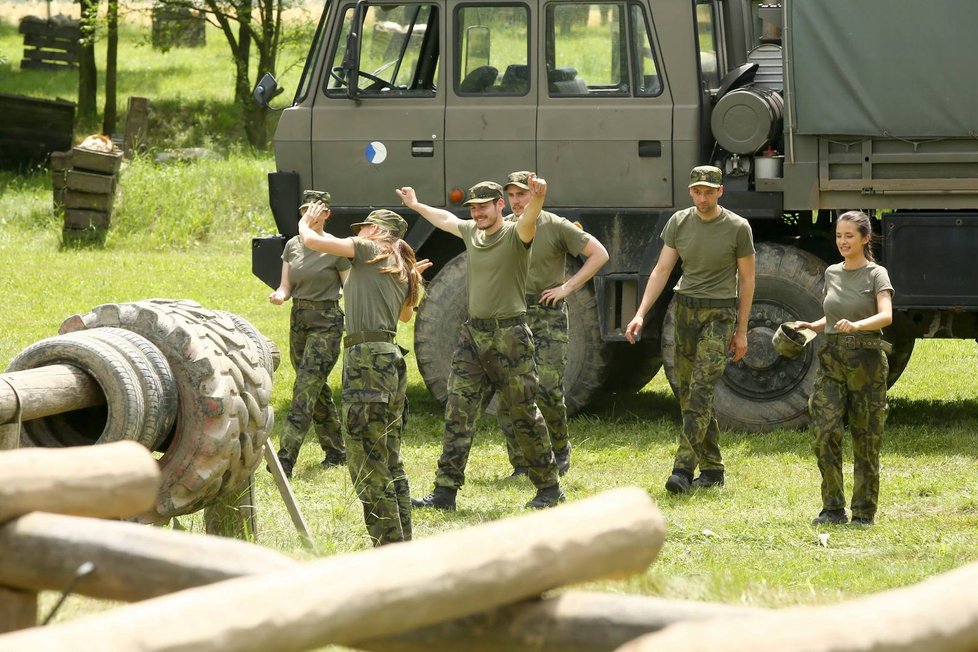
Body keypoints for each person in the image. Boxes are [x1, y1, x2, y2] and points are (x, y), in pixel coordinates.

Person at [396, 176, 565, 510]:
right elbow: (446, 220)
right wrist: (415, 205)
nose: (478, 214)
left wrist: (539, 198)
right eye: (473, 208)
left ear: (499, 205)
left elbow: (530, 219)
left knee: (523, 414)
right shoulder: (472, 232)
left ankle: (548, 487)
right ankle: (445, 492)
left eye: (484, 207)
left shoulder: (516, 234)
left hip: (511, 337)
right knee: (458, 412)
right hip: (473, 336)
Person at [298, 204, 424, 546]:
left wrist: (306, 222)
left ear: (377, 231)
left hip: (366, 361)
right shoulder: (400, 265)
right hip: (389, 359)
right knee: (389, 457)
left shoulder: (370, 250)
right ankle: (402, 543)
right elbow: (405, 318)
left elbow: (311, 241)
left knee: (366, 460)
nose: (360, 231)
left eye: (364, 227)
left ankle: (388, 547)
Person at [625, 165, 755, 494]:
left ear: (720, 192)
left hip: (720, 313)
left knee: (700, 390)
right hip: (685, 311)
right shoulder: (679, 222)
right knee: (689, 394)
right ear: (690, 191)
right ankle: (712, 469)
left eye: (709, 191)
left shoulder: (738, 228)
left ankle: (682, 468)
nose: (702, 197)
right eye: (697, 191)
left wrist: (741, 330)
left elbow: (748, 279)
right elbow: (662, 269)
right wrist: (640, 313)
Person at [496, 170, 609, 479]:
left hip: (548, 314)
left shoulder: (556, 225)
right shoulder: (503, 229)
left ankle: (559, 449)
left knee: (547, 387)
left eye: (523, 194)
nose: (517, 201)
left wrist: (567, 288)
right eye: (513, 195)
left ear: (535, 195)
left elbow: (599, 254)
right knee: (511, 393)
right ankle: (521, 462)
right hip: (513, 315)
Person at [795, 210, 893, 526]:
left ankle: (864, 513)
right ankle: (833, 509)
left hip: (866, 360)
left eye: (849, 236)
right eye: (839, 235)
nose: (842, 241)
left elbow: (886, 315)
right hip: (832, 358)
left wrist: (858, 325)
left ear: (865, 238)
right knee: (825, 431)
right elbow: (834, 316)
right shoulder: (833, 273)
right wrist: (813, 325)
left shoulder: (877, 274)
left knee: (866, 438)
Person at [268, 192, 350, 478]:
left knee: (304, 388)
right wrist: (279, 295)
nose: (310, 214)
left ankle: (285, 458)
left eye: (316, 210)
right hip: (299, 320)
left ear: (327, 214)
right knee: (315, 388)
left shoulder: (335, 247)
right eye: (306, 209)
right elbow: (285, 285)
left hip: (326, 322)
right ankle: (337, 452)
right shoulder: (293, 244)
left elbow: (348, 288)